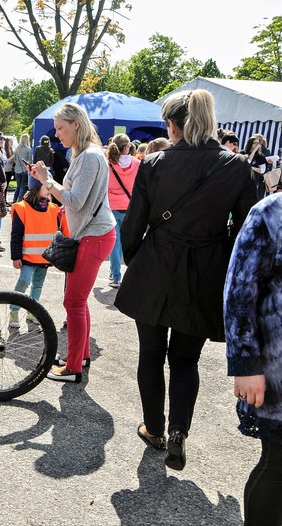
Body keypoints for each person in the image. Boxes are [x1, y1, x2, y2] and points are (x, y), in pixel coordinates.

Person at [113, 89, 256, 470]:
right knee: (185, 360)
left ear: (173, 125)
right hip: (206, 270)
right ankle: (178, 431)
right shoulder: (238, 167)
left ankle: (155, 428)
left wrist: (136, 262)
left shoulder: (155, 162)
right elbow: (246, 233)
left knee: (150, 354)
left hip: (156, 266)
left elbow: (134, 224)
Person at [28, 102, 117, 383]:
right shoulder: (84, 154)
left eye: (60, 128)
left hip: (94, 234)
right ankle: (81, 356)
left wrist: (48, 181)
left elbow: (75, 200)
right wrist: (50, 182)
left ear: (75, 124)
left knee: (74, 302)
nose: (56, 134)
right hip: (90, 233)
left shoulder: (89, 156)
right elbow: (74, 197)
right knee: (79, 301)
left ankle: (73, 367)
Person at [223, 194, 282, 526]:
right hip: (277, 366)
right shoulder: (271, 213)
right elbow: (238, 291)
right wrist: (246, 363)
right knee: (278, 465)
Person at [9, 174, 63, 323]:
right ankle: (14, 310)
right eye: (47, 185)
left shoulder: (53, 209)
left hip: (44, 257)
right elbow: (16, 235)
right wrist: (16, 256)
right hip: (26, 257)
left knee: (38, 286)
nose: (50, 188)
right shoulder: (22, 208)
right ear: (36, 187)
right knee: (24, 281)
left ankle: (32, 313)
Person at [106, 133, 139, 289]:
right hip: (130, 207)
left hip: (111, 207)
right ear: (128, 147)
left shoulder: (108, 165)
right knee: (130, 242)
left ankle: (116, 276)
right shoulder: (137, 163)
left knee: (115, 243)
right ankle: (132, 276)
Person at [245, 136, 269, 202]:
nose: (257, 145)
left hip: (255, 182)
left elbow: (262, 170)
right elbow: (248, 162)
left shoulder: (260, 156)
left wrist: (251, 167)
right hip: (243, 181)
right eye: (255, 143)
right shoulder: (243, 153)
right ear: (250, 144)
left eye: (258, 143)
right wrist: (254, 151)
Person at [13, 134, 32, 203]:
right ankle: (20, 201)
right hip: (24, 170)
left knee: (18, 186)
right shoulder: (28, 149)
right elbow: (29, 161)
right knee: (22, 186)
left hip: (17, 169)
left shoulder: (16, 148)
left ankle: (14, 201)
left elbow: (14, 160)